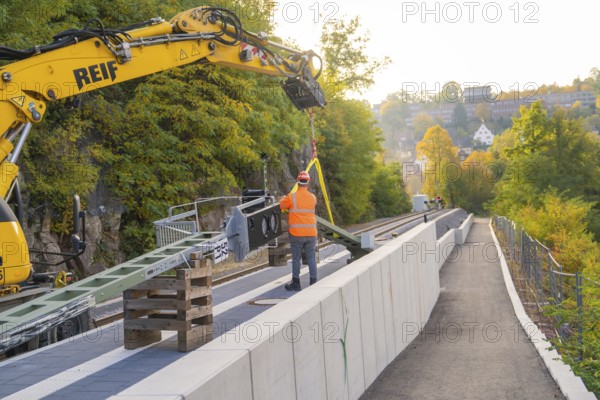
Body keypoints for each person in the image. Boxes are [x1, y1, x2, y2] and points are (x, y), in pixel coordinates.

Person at [279, 171, 318, 291]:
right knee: (311, 257)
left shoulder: (292, 197)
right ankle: (313, 282)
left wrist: (283, 198)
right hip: (311, 233)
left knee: (296, 258)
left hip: (297, 234)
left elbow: (281, 205)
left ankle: (296, 283)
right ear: (308, 183)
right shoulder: (313, 198)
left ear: (298, 181)